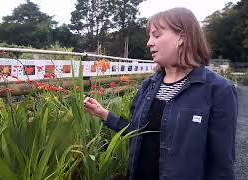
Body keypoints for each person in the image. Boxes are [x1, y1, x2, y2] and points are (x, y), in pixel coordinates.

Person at [83, 7, 238, 180]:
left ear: (182, 37)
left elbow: (221, 164)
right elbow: (137, 133)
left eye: (156, 35)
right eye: (149, 36)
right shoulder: (148, 86)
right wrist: (104, 114)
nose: (149, 42)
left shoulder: (218, 90)